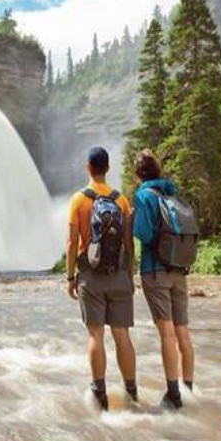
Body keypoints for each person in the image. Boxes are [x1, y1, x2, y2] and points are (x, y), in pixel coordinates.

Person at [65, 146, 137, 411]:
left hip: (90, 275)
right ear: (107, 168)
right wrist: (129, 275)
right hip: (118, 274)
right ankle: (132, 393)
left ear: (88, 167)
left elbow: (72, 242)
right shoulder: (121, 201)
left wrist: (70, 277)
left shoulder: (78, 200)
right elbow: (128, 243)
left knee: (95, 335)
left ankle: (100, 395)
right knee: (122, 335)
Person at [132, 149, 194, 410]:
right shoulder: (172, 194)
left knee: (166, 332)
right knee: (182, 331)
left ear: (138, 175)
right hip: (179, 269)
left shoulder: (144, 196)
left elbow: (144, 233)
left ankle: (173, 394)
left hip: (155, 270)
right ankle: (189, 389)